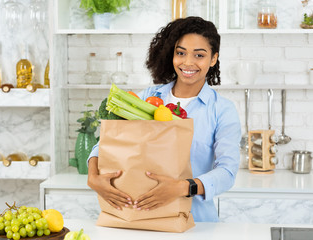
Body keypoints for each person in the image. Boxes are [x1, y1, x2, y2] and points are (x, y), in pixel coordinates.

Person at [87, 16, 241, 222]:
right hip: (136, 218)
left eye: (199, 55)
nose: (188, 62)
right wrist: (93, 177)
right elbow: (107, 142)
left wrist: (182, 187)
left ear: (213, 59)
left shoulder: (222, 110)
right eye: (181, 53)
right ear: (172, 55)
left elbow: (227, 172)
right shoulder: (147, 98)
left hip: (195, 223)